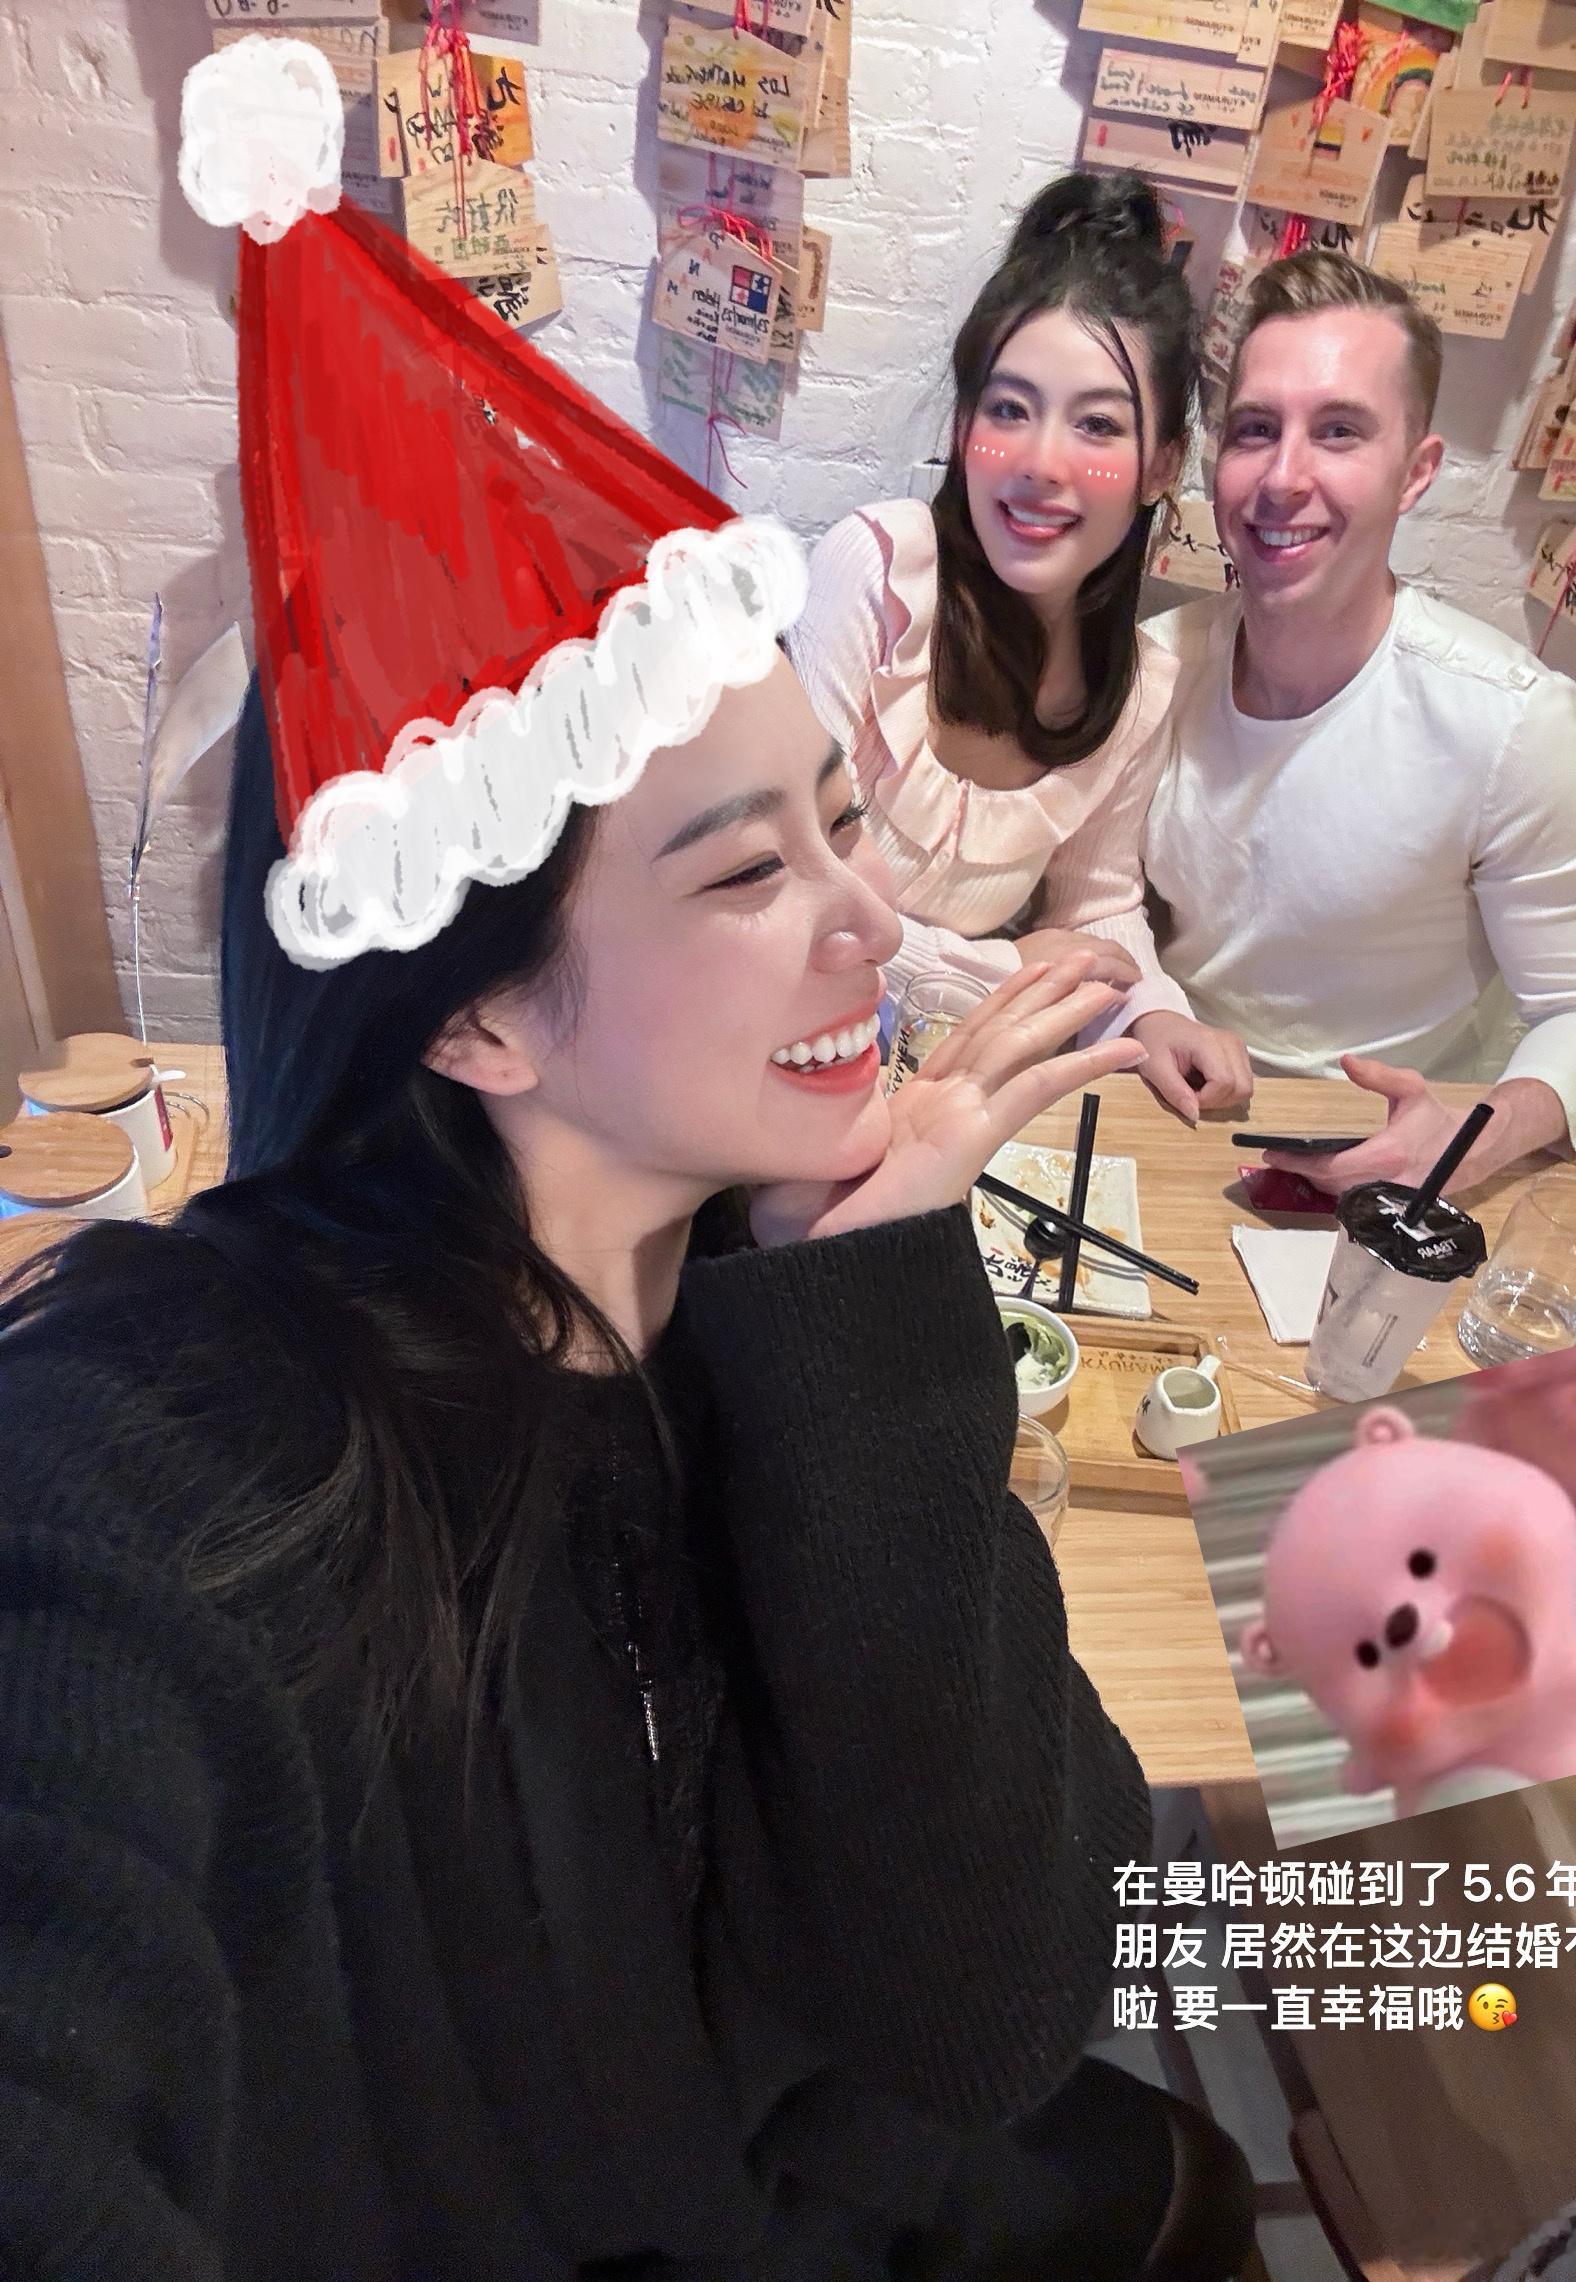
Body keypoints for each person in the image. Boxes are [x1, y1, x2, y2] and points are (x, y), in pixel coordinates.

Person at [0, 40, 1260, 2282]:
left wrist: (869, 1303)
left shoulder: (752, 1294)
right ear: (474, 1013)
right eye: (746, 870)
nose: (867, 927)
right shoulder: (196, 1436)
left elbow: (995, 2002)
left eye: (844, 825)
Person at [1143, 251, 1576, 1195]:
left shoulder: (1513, 726)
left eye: (1339, 432)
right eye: (1255, 430)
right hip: (1165, 1117)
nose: (1283, 477)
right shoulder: (1154, 670)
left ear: (1416, 473)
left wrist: (1470, 1138)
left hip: (1388, 1161)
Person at [787, 168, 1253, 1126]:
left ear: (1161, 466)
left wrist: (1155, 1012)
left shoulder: (1136, 687)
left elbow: (1095, 906)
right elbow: (793, 886)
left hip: (949, 1094)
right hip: (785, 1066)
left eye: (1098, 425)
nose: (1040, 462)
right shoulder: (876, 577)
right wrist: (1002, 973)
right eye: (1008, 410)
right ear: (964, 428)